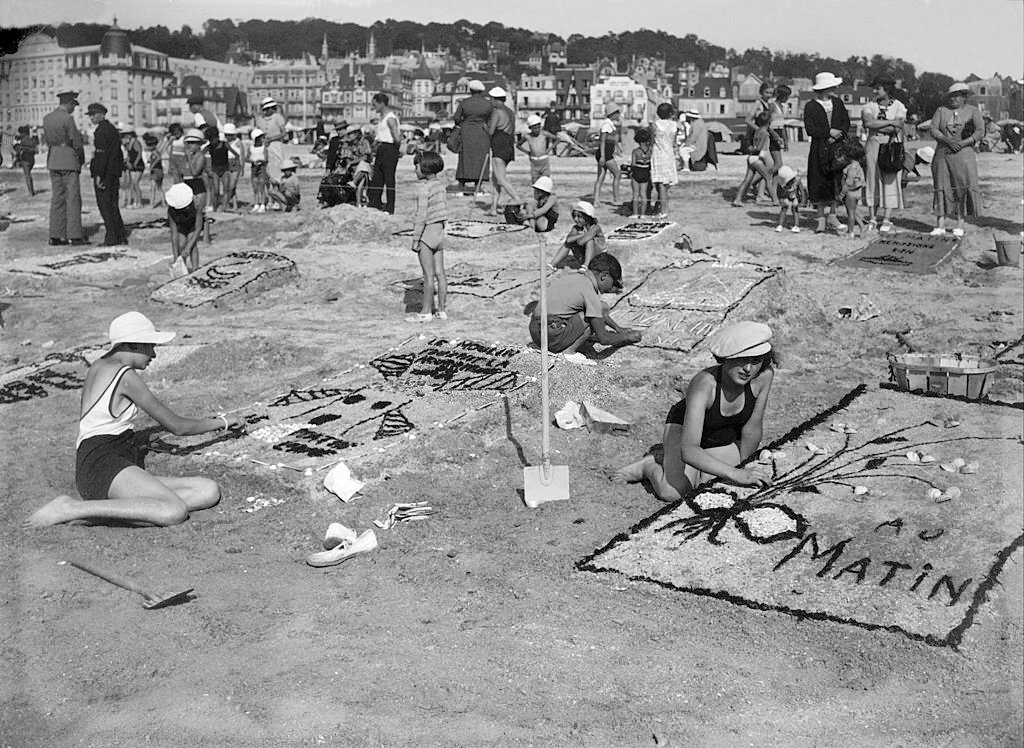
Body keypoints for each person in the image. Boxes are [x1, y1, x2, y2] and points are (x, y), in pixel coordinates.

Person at [24, 312, 244, 528]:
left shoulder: (99, 365)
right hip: (103, 465)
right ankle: (70, 508)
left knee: (207, 490)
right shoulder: (125, 376)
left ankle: (109, 511)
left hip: (108, 461)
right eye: (150, 346)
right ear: (134, 345)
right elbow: (178, 427)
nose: (154, 355)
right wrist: (223, 422)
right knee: (173, 511)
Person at [612, 321, 776, 500]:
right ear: (726, 358)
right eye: (741, 360)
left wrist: (745, 465)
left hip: (722, 433)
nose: (748, 369)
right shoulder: (704, 384)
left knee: (711, 484)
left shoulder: (764, 376)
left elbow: (752, 428)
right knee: (674, 492)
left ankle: (687, 465)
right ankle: (650, 464)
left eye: (755, 361)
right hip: (685, 432)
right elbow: (689, 449)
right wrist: (736, 474)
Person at [528, 253, 641, 358]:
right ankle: (568, 353)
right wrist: (628, 337)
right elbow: (604, 338)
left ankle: (563, 339)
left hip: (535, 332)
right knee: (592, 320)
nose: (611, 288)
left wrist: (617, 328)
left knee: (599, 308)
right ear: (604, 276)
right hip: (551, 336)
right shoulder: (590, 293)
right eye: (614, 283)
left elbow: (600, 311)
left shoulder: (573, 277)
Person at [929, 82, 984, 237]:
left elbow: (980, 131)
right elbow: (933, 129)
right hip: (943, 154)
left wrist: (963, 143)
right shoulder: (941, 111)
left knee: (962, 187)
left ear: (964, 97)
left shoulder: (973, 111)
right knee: (941, 185)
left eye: (957, 96)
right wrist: (947, 140)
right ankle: (940, 223)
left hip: (964, 155)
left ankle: (960, 221)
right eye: (951, 96)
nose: (953, 99)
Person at [804, 72, 851, 234]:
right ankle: (820, 219)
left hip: (836, 149)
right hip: (819, 149)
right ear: (825, 88)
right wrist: (828, 132)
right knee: (819, 181)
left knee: (834, 182)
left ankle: (832, 215)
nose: (835, 89)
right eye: (832, 86)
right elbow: (810, 129)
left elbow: (846, 122)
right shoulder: (811, 105)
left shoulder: (837, 103)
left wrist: (840, 134)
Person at [406, 151, 449, 322]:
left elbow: (421, 216)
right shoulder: (440, 186)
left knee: (428, 275)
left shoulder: (423, 188)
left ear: (423, 167)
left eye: (416, 166)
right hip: (439, 233)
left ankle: (425, 312)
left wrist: (416, 239)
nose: (415, 170)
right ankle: (442, 310)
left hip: (427, 234)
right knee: (441, 273)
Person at [862, 76, 907, 233]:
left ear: (887, 89)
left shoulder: (899, 106)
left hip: (891, 146)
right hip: (873, 145)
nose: (875, 91)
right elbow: (869, 124)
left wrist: (883, 125)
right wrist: (891, 122)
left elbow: (897, 128)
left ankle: (887, 218)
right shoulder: (869, 106)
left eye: (878, 88)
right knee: (872, 179)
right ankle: (872, 217)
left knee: (890, 180)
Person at [42, 90, 86, 246]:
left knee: (57, 199)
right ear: (69, 103)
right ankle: (74, 235)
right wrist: (81, 159)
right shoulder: (68, 119)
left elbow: (47, 140)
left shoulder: (47, 118)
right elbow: (77, 142)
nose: (74, 108)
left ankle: (56, 235)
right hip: (68, 159)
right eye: (73, 105)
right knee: (72, 199)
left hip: (53, 159)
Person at [87, 103, 127, 247]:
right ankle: (120, 235)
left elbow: (101, 156)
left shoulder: (101, 131)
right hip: (113, 173)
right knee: (113, 205)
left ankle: (111, 238)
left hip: (105, 174)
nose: (91, 117)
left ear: (101, 114)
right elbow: (118, 154)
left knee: (105, 207)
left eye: (93, 114)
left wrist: (98, 175)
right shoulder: (112, 129)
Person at [486, 87, 522, 216]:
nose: (490, 101)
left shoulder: (497, 111)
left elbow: (491, 131)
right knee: (496, 178)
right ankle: (493, 208)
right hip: (508, 145)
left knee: (500, 178)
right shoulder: (510, 112)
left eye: (491, 99)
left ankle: (517, 199)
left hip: (499, 144)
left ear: (496, 100)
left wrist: (484, 126)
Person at [452, 80, 493, 192]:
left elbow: (456, 118)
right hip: (482, 132)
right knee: (480, 157)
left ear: (470, 90)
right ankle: (478, 184)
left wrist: (462, 124)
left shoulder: (464, 103)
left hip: (466, 132)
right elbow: (491, 120)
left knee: (465, 157)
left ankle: (462, 183)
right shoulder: (488, 104)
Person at [732, 111, 778, 207]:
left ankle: (738, 199)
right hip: (757, 158)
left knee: (747, 180)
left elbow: (754, 145)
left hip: (751, 157)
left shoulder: (757, 131)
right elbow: (760, 148)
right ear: (769, 122)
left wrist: (750, 149)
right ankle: (775, 200)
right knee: (767, 178)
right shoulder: (765, 134)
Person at [550, 200, 606, 269]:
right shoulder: (576, 228)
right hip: (583, 257)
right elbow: (568, 240)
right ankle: (552, 264)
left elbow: (580, 242)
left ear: (587, 217)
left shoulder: (595, 228)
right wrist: (581, 235)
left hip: (599, 259)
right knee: (568, 244)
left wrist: (579, 236)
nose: (576, 219)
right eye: (574, 216)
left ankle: (586, 266)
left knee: (589, 241)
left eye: (579, 216)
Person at [368, 93, 400, 214]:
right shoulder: (382, 118)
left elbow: (396, 137)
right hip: (382, 148)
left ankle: (390, 208)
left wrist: (396, 150)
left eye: (375, 104)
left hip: (389, 148)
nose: (373, 107)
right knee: (377, 178)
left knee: (389, 179)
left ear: (381, 103)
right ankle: (375, 204)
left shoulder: (390, 118)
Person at [169, 128, 209, 217]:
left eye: (193, 143)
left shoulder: (201, 157)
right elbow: (183, 172)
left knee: (199, 213)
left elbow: (195, 172)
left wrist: (189, 158)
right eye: (189, 143)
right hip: (187, 184)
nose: (190, 145)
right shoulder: (189, 156)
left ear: (199, 144)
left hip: (197, 185)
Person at [255, 97, 288, 203]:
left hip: (276, 146)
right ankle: (270, 199)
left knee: (277, 172)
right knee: (267, 172)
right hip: (265, 147)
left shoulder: (278, 117)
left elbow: (283, 133)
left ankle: (278, 199)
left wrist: (271, 138)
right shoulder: (260, 120)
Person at [166, 183, 203, 274]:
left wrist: (188, 248)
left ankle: (195, 269)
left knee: (192, 244)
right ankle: (182, 268)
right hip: (181, 224)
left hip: (193, 224)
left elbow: (198, 228)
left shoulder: (197, 204)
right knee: (181, 244)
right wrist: (175, 256)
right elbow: (174, 235)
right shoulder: (171, 212)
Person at [650, 103, 679, 218]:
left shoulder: (655, 125)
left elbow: (652, 141)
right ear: (670, 113)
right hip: (669, 153)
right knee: (666, 183)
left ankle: (663, 210)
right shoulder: (674, 125)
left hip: (658, 153)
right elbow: (674, 142)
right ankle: (663, 207)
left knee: (660, 183)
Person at [592, 109, 622, 206]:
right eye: (617, 113)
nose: (619, 115)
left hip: (605, 154)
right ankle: (616, 199)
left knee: (601, 177)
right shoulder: (606, 125)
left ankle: (596, 200)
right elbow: (602, 141)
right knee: (617, 174)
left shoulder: (610, 125)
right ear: (613, 114)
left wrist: (617, 147)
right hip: (605, 154)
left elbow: (611, 141)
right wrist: (603, 157)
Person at [839, 140, 867, 237]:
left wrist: (842, 194)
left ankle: (850, 232)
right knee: (853, 211)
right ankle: (862, 225)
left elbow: (848, 183)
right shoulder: (859, 165)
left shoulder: (851, 167)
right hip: (858, 192)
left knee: (850, 213)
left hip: (851, 193)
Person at [518, 113, 556, 182]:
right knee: (535, 182)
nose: (537, 130)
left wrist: (549, 149)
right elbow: (518, 145)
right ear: (530, 128)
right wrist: (527, 152)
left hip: (544, 161)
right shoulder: (527, 136)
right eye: (534, 128)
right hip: (534, 162)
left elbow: (557, 139)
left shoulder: (544, 133)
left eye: (538, 127)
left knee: (546, 181)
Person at [629, 127, 653, 219]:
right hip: (646, 172)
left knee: (635, 194)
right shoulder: (650, 151)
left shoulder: (636, 151)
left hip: (637, 172)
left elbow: (633, 164)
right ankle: (643, 214)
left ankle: (635, 213)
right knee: (643, 194)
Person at [774, 165, 803, 232]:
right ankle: (780, 225)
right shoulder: (782, 184)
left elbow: (802, 191)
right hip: (785, 196)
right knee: (784, 208)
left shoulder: (797, 181)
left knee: (795, 208)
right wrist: (780, 199)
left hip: (795, 196)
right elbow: (778, 192)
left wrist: (803, 200)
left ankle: (796, 225)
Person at [222, 123, 245, 210]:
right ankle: (234, 204)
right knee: (229, 186)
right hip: (226, 164)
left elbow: (242, 155)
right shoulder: (224, 142)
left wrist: (242, 167)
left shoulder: (238, 142)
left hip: (236, 164)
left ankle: (226, 202)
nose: (227, 136)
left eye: (229, 135)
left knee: (232, 185)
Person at [121, 127, 144, 209]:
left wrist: (135, 162)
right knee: (132, 184)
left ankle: (139, 202)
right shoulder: (129, 143)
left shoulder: (136, 142)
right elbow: (129, 154)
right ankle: (135, 201)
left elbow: (139, 153)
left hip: (138, 165)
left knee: (136, 183)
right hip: (132, 165)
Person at [14, 125, 38, 196]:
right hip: (32, 159)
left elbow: (16, 149)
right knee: (29, 174)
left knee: (27, 175)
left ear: (23, 133)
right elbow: (36, 148)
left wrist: (16, 140)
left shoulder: (20, 140)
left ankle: (31, 192)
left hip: (25, 159)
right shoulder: (31, 139)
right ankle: (31, 190)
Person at [248, 128, 268, 213]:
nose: (263, 139)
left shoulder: (264, 148)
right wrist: (252, 161)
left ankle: (262, 205)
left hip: (262, 167)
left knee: (262, 186)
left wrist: (260, 160)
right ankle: (256, 204)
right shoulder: (251, 148)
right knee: (255, 187)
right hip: (254, 167)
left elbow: (266, 159)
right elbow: (247, 157)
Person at [144, 133, 165, 209]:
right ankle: (163, 202)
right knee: (159, 188)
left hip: (155, 170)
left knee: (153, 188)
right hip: (159, 170)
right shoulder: (155, 152)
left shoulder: (155, 152)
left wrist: (152, 166)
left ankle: (152, 203)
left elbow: (159, 158)